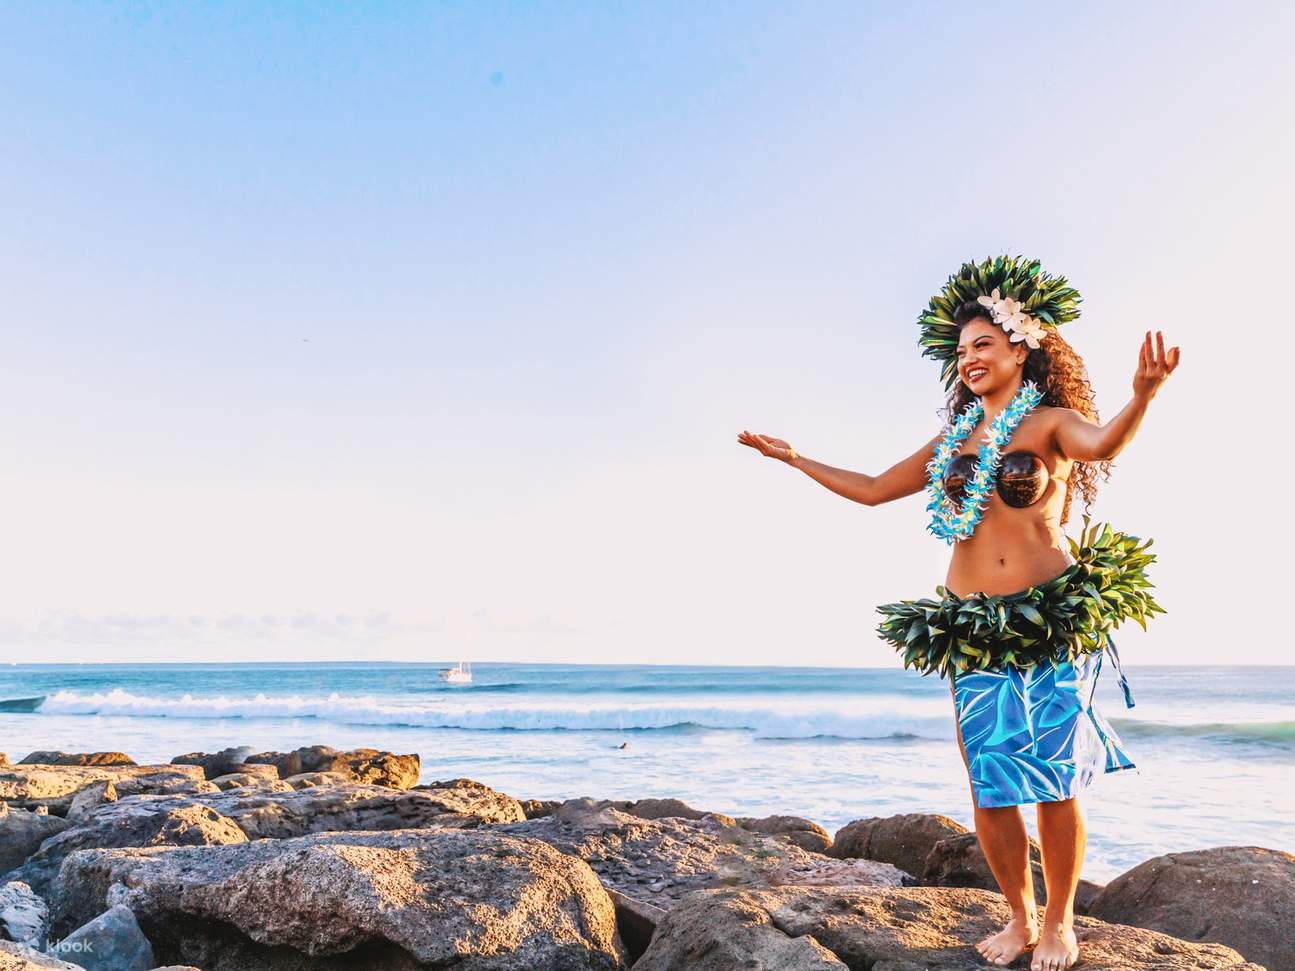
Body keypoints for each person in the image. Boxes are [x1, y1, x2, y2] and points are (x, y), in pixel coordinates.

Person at [736, 255, 1179, 971]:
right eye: (961, 350)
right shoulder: (953, 440)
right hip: (969, 626)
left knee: (1054, 778)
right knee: (990, 781)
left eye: (982, 345)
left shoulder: (1051, 424)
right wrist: (795, 459)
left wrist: (1142, 397)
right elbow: (877, 487)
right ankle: (1017, 916)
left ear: (1019, 348)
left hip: (1046, 619)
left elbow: (1104, 443)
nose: (968, 358)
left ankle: (1060, 922)